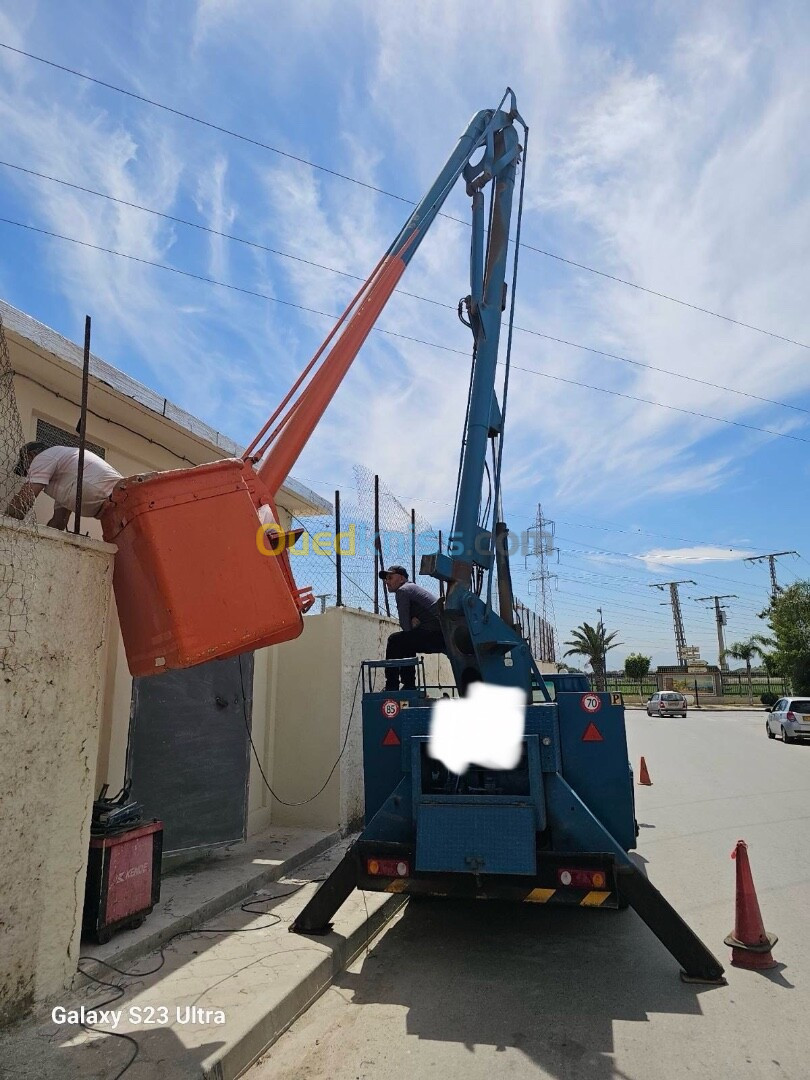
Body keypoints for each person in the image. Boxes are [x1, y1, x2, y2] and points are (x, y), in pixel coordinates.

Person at [6, 441, 123, 530]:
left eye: (26, 467)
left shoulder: (44, 457)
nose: (28, 472)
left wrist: (6, 524)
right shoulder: (66, 483)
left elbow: (25, 498)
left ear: (30, 456)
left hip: (119, 496)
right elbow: (59, 522)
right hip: (119, 503)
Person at [380, 565, 445, 691]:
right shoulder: (412, 588)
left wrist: (412, 624)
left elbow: (405, 626)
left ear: (401, 579)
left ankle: (392, 685)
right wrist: (413, 623)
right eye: (385, 579)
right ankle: (409, 684)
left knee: (394, 640)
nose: (387, 581)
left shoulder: (403, 590)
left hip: (434, 635)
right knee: (406, 642)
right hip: (440, 634)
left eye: (390, 577)